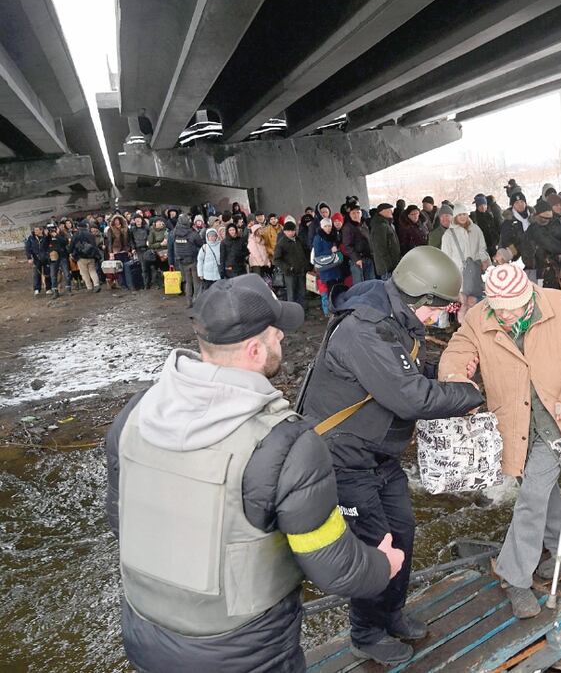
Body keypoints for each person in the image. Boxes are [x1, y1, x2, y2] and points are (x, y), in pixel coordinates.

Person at [105, 274, 401, 672]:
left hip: (144, 635)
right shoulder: (288, 443)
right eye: (275, 332)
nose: (281, 335)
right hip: (244, 649)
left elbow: (120, 520)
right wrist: (382, 565)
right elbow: (332, 565)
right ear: (255, 350)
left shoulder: (135, 414)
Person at [298, 246, 484, 666]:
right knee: (374, 547)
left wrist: (445, 374)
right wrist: (469, 394)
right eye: (441, 309)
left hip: (379, 455)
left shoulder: (394, 316)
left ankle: (391, 613)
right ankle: (366, 632)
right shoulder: (365, 329)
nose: (441, 317)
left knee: (402, 531)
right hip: (342, 457)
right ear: (422, 300)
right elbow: (410, 397)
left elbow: (408, 372)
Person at [439, 264, 561, 618]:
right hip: (513, 421)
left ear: (529, 294)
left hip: (559, 420)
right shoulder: (480, 317)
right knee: (543, 490)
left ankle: (514, 576)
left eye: (514, 308)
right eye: (500, 309)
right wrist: (457, 375)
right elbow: (458, 350)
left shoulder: (557, 304)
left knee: (531, 496)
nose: (507, 315)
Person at [441, 202, 490, 323]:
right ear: (455, 216)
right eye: (459, 215)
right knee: (463, 302)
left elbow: (481, 248)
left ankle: (476, 326)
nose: (462, 217)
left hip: (474, 272)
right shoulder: (448, 234)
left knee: (473, 301)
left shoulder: (476, 230)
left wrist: (484, 260)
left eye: (464, 214)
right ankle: (464, 329)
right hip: (458, 274)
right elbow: (445, 257)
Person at [273, 221, 311, 307]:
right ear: (285, 231)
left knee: (302, 292)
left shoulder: (298, 240)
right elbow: (276, 259)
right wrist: (288, 268)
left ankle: (303, 311)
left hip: (301, 271)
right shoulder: (281, 243)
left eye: (293, 230)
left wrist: (307, 265)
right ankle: (293, 313)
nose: (291, 233)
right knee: (292, 294)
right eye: (288, 231)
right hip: (290, 274)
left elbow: (306, 252)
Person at [495, 191, 533, 274]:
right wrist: (516, 251)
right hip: (518, 256)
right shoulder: (508, 222)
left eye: (522, 202)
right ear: (512, 205)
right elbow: (506, 241)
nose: (520, 204)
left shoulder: (533, 217)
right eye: (516, 203)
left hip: (536, 255)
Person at [313, 218, 344, 315]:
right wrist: (331, 251)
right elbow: (318, 254)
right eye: (325, 226)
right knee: (330, 291)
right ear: (321, 227)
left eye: (329, 225)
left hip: (335, 266)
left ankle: (336, 309)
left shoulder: (333, 235)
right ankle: (331, 311)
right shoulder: (318, 237)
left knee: (336, 289)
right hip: (326, 269)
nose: (328, 228)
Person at [341, 202, 375, 284]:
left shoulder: (365, 224)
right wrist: (357, 259)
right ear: (349, 214)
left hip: (368, 257)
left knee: (371, 281)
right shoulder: (348, 227)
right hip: (358, 260)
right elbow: (348, 245)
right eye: (353, 213)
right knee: (360, 283)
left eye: (358, 212)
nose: (356, 215)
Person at [173, 214, 203, 304]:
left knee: (188, 282)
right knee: (196, 282)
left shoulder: (175, 233)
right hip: (193, 260)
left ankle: (188, 301)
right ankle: (196, 300)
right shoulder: (192, 233)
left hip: (181, 261)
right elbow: (200, 244)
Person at [369, 203, 401, 280]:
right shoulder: (380, 226)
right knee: (389, 289)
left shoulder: (386, 224)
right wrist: (388, 266)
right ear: (382, 211)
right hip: (387, 267)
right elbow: (380, 248)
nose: (391, 212)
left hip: (391, 264)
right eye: (389, 210)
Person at [69, 220, 102, 293]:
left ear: (78, 227)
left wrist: (71, 253)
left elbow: (71, 246)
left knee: (84, 273)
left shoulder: (76, 235)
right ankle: (96, 285)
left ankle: (89, 287)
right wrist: (97, 255)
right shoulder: (90, 234)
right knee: (92, 271)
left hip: (80, 257)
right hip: (91, 256)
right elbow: (94, 245)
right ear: (85, 227)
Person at [105, 214, 132, 290]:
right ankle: (123, 284)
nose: (117, 222)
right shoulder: (111, 230)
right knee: (119, 269)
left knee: (127, 268)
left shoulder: (126, 228)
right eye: (115, 220)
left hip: (126, 251)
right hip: (116, 251)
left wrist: (130, 250)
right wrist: (111, 253)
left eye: (118, 220)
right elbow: (109, 242)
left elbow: (129, 240)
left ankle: (129, 283)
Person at [46, 222, 71, 297]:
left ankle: (68, 289)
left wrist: (57, 235)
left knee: (67, 274)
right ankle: (55, 291)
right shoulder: (47, 237)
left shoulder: (61, 234)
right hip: (53, 259)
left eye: (53, 228)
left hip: (63, 256)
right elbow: (43, 245)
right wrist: (46, 236)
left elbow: (65, 242)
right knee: (53, 275)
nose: (51, 230)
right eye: (50, 229)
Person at [25, 225, 51, 296]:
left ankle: (48, 288)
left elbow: (50, 245)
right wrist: (29, 258)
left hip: (45, 258)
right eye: (34, 230)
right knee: (36, 274)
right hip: (36, 259)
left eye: (37, 230)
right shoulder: (31, 238)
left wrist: (48, 254)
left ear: (41, 230)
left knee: (47, 273)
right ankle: (37, 289)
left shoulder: (46, 237)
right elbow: (27, 248)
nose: (35, 231)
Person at [196, 227, 223, 291]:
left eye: (213, 236)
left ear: (216, 236)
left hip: (218, 275)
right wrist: (200, 274)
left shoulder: (220, 245)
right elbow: (200, 261)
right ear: (207, 237)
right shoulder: (204, 247)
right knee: (208, 292)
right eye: (210, 236)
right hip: (207, 276)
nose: (212, 238)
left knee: (217, 292)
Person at [145, 218, 168, 289]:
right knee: (159, 269)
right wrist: (160, 244)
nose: (159, 223)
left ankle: (168, 283)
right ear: (155, 223)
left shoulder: (166, 230)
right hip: (158, 253)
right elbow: (150, 245)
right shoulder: (152, 232)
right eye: (158, 222)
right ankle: (160, 284)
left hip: (167, 252)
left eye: (161, 222)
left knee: (167, 268)